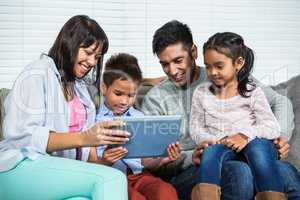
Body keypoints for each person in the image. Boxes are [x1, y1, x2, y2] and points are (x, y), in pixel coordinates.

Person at [140, 20, 300, 200]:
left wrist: (280, 139)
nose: (172, 70)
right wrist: (187, 156)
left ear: (193, 52)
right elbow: (148, 159)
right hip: (194, 169)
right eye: (165, 64)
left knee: (286, 171)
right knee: (239, 172)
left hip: (242, 149)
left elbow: (280, 102)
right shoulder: (156, 98)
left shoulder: (227, 73)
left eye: (178, 61)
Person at [0, 15, 131, 200]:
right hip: (20, 165)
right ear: (69, 43)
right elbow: (24, 138)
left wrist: (105, 161)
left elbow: (88, 157)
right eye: (88, 52)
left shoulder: (81, 90)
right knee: (113, 180)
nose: (93, 62)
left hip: (53, 173)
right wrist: (84, 138)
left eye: (97, 56)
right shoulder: (36, 73)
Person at [190, 32, 287, 200]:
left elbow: (272, 126)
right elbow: (196, 128)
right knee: (211, 153)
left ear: (238, 63)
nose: (212, 72)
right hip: (221, 145)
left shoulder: (252, 92)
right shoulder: (201, 93)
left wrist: (244, 136)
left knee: (258, 148)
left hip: (251, 143)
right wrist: (215, 140)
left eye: (219, 66)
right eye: (208, 66)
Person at [95, 53, 180, 200]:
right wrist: (106, 160)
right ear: (104, 88)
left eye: (130, 95)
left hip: (139, 176)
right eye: (118, 93)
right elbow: (88, 163)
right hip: (111, 177)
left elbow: (146, 162)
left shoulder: (140, 118)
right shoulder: (94, 119)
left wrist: (161, 160)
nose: (124, 101)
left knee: (166, 192)